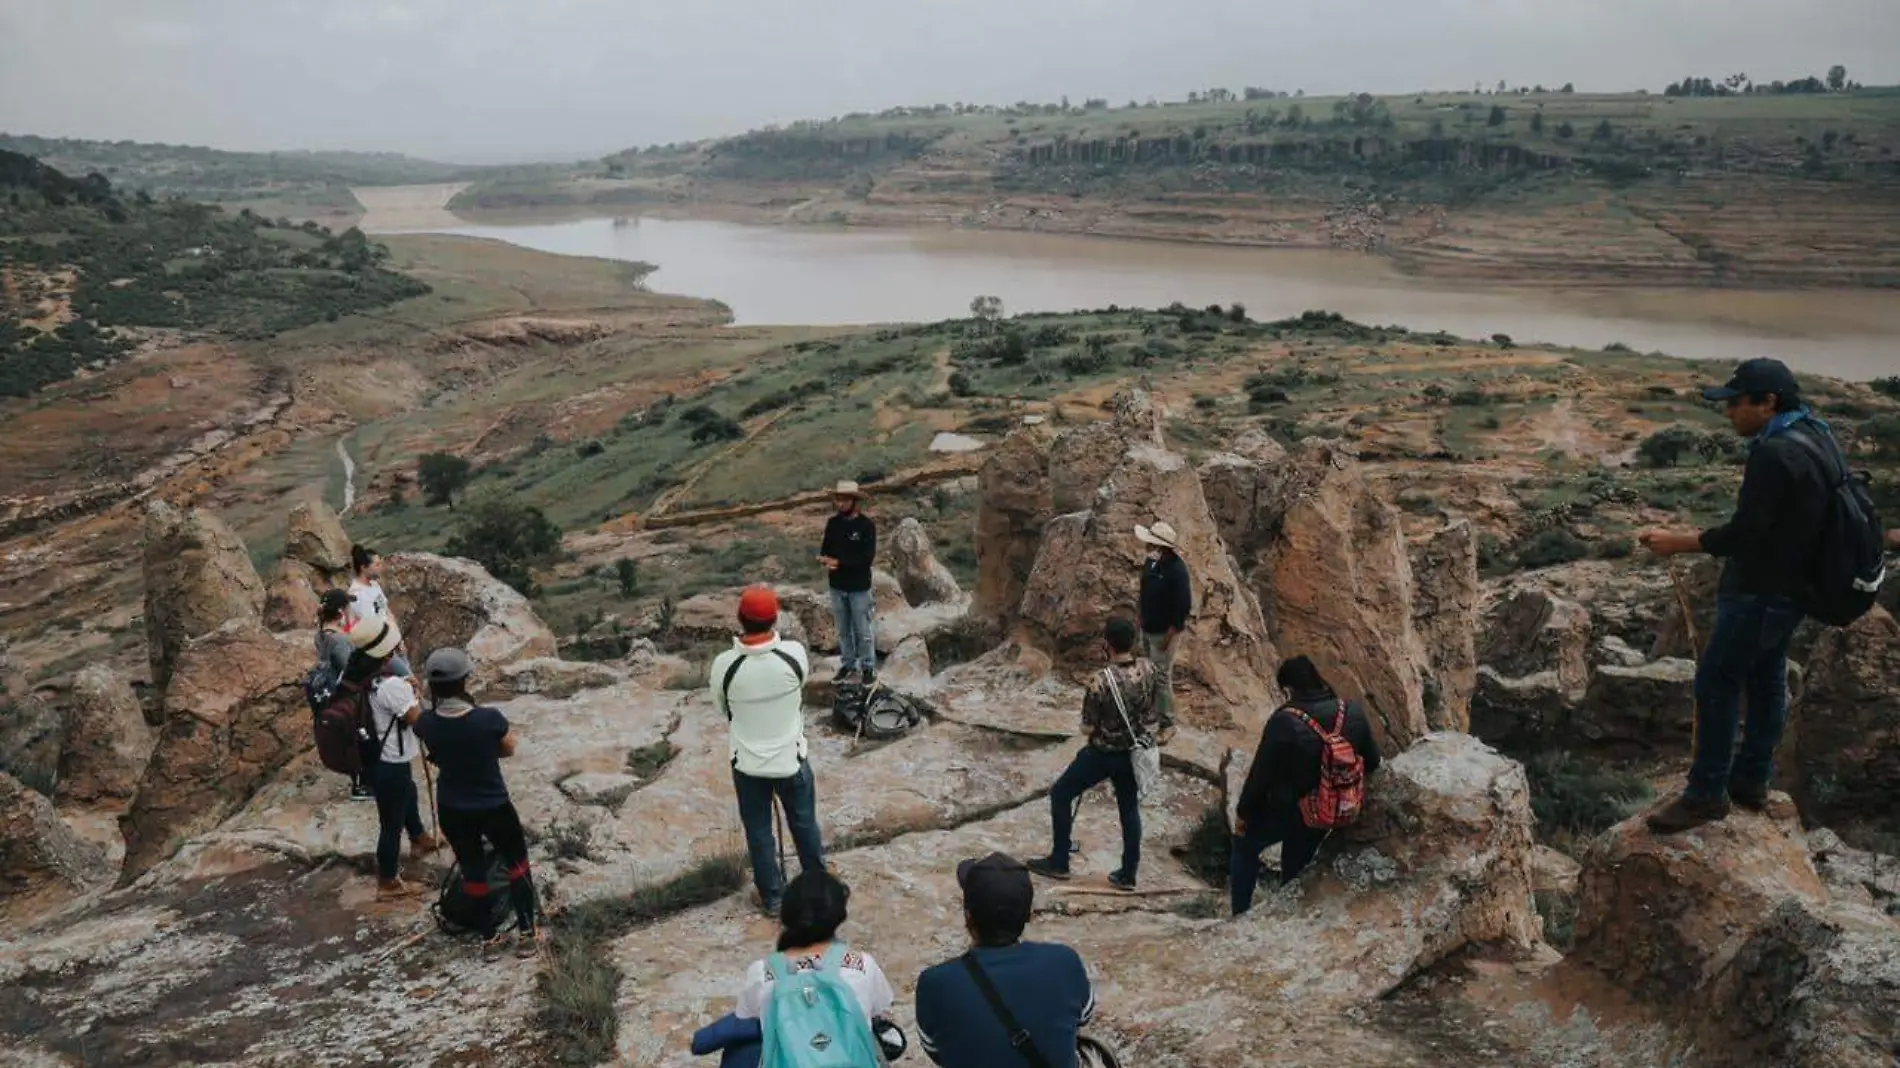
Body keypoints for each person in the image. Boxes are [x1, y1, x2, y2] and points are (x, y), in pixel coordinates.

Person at [1638, 357, 1834, 834]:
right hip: (1794, 589)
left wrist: (1679, 542)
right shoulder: (1817, 435)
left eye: (1737, 404)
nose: (1729, 414)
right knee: (1766, 681)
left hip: (1761, 590)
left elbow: (1746, 533)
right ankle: (1750, 781)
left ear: (1768, 402)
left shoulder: (1774, 453)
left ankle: (1706, 795)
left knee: (1716, 683)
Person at [1026, 616, 1173, 892]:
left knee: (1061, 794)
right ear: (1133, 641)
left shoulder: (1099, 681)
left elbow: (1087, 727)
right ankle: (1128, 874)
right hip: (1132, 753)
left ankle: (1059, 861)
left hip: (1102, 753)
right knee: (1129, 809)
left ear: (1107, 644)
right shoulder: (1148, 669)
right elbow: (1156, 704)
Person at [413, 646, 540, 959]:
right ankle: (526, 933)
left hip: (453, 808)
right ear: (464, 681)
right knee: (517, 863)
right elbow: (508, 748)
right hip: (493, 804)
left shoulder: (426, 724)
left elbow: (434, 745)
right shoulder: (488, 719)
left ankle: (489, 939)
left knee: (473, 871)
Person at [1230, 656, 1382, 915]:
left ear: (1288, 688)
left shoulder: (1284, 721)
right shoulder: (1352, 711)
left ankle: (1240, 914)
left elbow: (1260, 776)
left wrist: (1244, 814)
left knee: (1244, 848)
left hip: (1288, 810)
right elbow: (1373, 761)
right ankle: (1288, 914)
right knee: (1296, 862)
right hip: (1330, 811)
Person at [916, 853, 1094, 1068]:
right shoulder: (1065, 962)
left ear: (968, 916)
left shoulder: (935, 984)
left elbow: (936, 1051)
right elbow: (1083, 1018)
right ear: (1029, 915)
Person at [710, 586, 825, 915]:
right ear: (774, 618)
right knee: (804, 825)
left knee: (759, 832)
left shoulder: (725, 666)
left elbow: (722, 707)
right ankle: (818, 889)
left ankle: (773, 897)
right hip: (791, 759)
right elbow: (799, 688)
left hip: (748, 764)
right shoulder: (793, 655)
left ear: (740, 619)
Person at [732, 870, 896, 1058]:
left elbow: (745, 1019)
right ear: (839, 916)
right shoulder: (862, 964)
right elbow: (880, 1010)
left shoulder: (761, 972)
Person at [361, 652, 440, 898]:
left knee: (408, 791)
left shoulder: (363, 678)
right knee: (391, 824)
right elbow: (416, 719)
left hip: (374, 757)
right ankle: (387, 881)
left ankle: (418, 835)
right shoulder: (391, 685)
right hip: (390, 760)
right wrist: (414, 695)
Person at [314, 589, 373, 801]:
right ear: (341, 611)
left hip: (330, 694)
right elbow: (351, 668)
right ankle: (362, 784)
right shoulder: (340, 640)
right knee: (359, 734)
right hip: (346, 694)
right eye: (347, 606)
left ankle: (359, 781)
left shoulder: (321, 635)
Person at [818, 481, 877, 683]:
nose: (840, 504)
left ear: (854, 501)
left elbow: (866, 559)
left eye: (844, 500)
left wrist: (839, 563)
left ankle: (868, 668)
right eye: (838, 499)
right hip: (837, 585)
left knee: (863, 630)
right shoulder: (833, 524)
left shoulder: (866, 526)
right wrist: (826, 560)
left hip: (859, 587)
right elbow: (825, 549)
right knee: (843, 630)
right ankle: (848, 664)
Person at [1135, 520, 1191, 724]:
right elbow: (1145, 589)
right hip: (1148, 626)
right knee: (1150, 672)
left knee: (1161, 676)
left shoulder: (1177, 571)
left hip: (1164, 632)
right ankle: (1152, 711)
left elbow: (1183, 605)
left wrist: (1171, 633)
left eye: (1151, 543)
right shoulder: (1151, 562)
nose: (1147, 546)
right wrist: (1140, 614)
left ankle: (1167, 721)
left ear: (1161, 546)